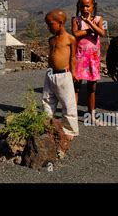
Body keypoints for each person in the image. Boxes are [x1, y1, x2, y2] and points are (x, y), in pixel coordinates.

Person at [42, 9, 79, 139]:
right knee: (47, 100)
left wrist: (74, 73)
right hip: (50, 74)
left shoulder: (70, 39)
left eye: (50, 24)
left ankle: (70, 130)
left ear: (61, 22)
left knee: (68, 103)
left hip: (64, 75)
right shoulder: (51, 40)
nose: (48, 27)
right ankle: (47, 124)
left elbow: (73, 58)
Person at [71, 0, 105, 125]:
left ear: (93, 6)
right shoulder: (76, 19)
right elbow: (75, 33)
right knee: (76, 86)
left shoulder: (98, 19)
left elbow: (101, 32)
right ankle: (72, 115)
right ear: (78, 7)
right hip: (79, 57)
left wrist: (90, 23)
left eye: (87, 6)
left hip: (93, 58)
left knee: (92, 88)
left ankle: (92, 115)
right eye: (82, 6)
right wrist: (89, 30)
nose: (84, 9)